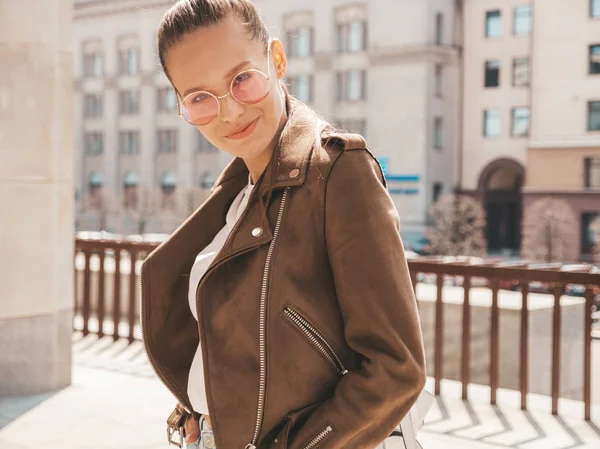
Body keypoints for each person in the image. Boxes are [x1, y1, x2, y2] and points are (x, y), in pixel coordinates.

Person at [141, 1, 427, 448]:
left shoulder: (337, 171)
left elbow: (396, 368)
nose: (230, 112)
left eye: (242, 79)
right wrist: (197, 406)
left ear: (276, 61)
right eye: (199, 98)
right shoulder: (238, 190)